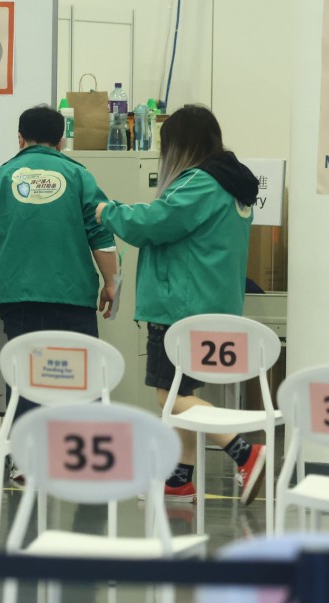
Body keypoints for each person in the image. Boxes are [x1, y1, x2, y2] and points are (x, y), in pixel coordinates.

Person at [94, 104, 264, 505]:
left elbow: (153, 222)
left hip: (179, 309)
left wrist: (107, 212)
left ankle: (245, 452)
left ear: (180, 145)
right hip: (210, 307)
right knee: (181, 392)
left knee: (168, 396)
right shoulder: (232, 187)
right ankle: (178, 480)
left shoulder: (200, 184)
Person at [0, 105, 118, 483]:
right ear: (62, 140)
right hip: (72, 293)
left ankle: (24, 460)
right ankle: (85, 459)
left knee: (26, 374)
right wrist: (110, 282)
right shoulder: (80, 176)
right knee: (82, 375)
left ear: (19, 138)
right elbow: (101, 232)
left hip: (17, 295)